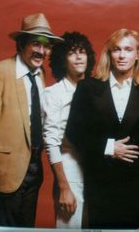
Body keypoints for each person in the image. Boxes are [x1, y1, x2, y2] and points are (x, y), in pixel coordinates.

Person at [66, 28, 139, 229]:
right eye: (116, 49)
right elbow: (73, 131)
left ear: (138, 54)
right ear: (109, 54)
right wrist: (109, 148)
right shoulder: (88, 87)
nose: (122, 55)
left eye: (128, 49)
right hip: (100, 180)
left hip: (137, 183)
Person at [0, 13, 63, 227]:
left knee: (26, 227)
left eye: (46, 46)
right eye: (35, 43)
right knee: (5, 227)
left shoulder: (40, 73)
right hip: (6, 170)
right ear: (21, 44)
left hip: (34, 168)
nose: (42, 51)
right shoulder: (1, 70)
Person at [42, 32, 95, 228]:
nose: (79, 57)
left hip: (94, 169)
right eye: (72, 53)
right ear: (63, 60)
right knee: (69, 226)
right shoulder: (53, 94)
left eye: (82, 52)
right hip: (69, 169)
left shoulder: (95, 90)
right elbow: (52, 141)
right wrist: (64, 186)